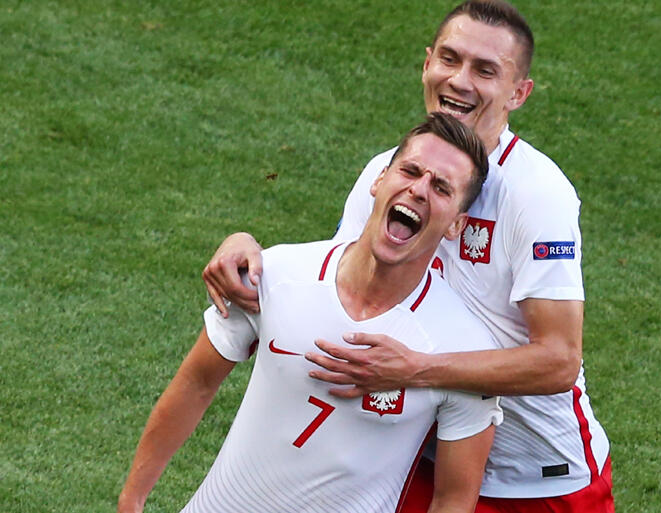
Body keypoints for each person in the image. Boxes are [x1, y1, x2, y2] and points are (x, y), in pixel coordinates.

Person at [203, 1, 614, 512]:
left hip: (535, 479)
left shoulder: (537, 197)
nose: (459, 81)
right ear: (426, 64)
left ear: (518, 93)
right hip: (421, 456)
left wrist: (417, 370)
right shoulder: (393, 172)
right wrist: (247, 247)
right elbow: (340, 288)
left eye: (485, 70)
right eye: (449, 58)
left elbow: (558, 361)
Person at [117, 113, 503, 513]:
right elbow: (196, 383)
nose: (419, 190)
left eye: (441, 187)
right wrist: (132, 499)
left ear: (457, 225)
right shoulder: (276, 275)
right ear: (378, 180)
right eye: (410, 171)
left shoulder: (464, 352)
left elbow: (454, 498)